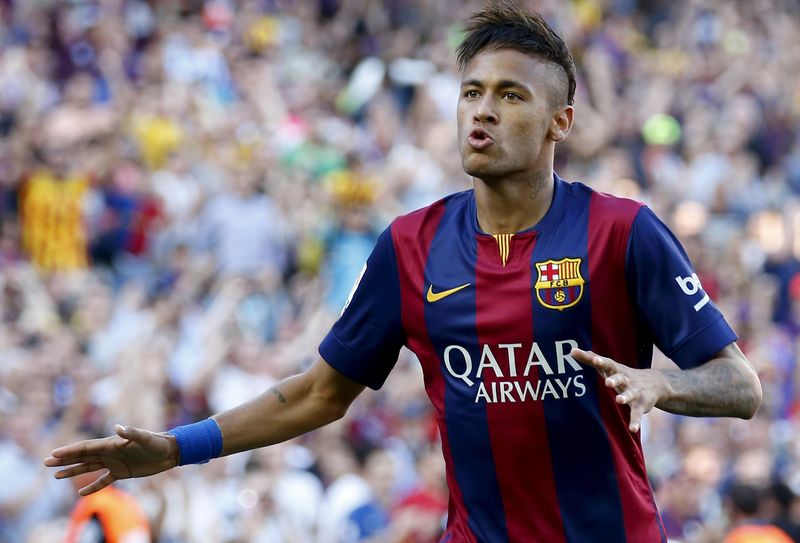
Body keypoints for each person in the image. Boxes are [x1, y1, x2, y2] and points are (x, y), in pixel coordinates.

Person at [45, 3, 762, 542]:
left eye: (511, 95)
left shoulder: (622, 232)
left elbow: (740, 384)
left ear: (560, 122)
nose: (482, 112)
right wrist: (176, 447)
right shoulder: (410, 246)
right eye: (471, 91)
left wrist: (662, 382)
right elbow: (318, 394)